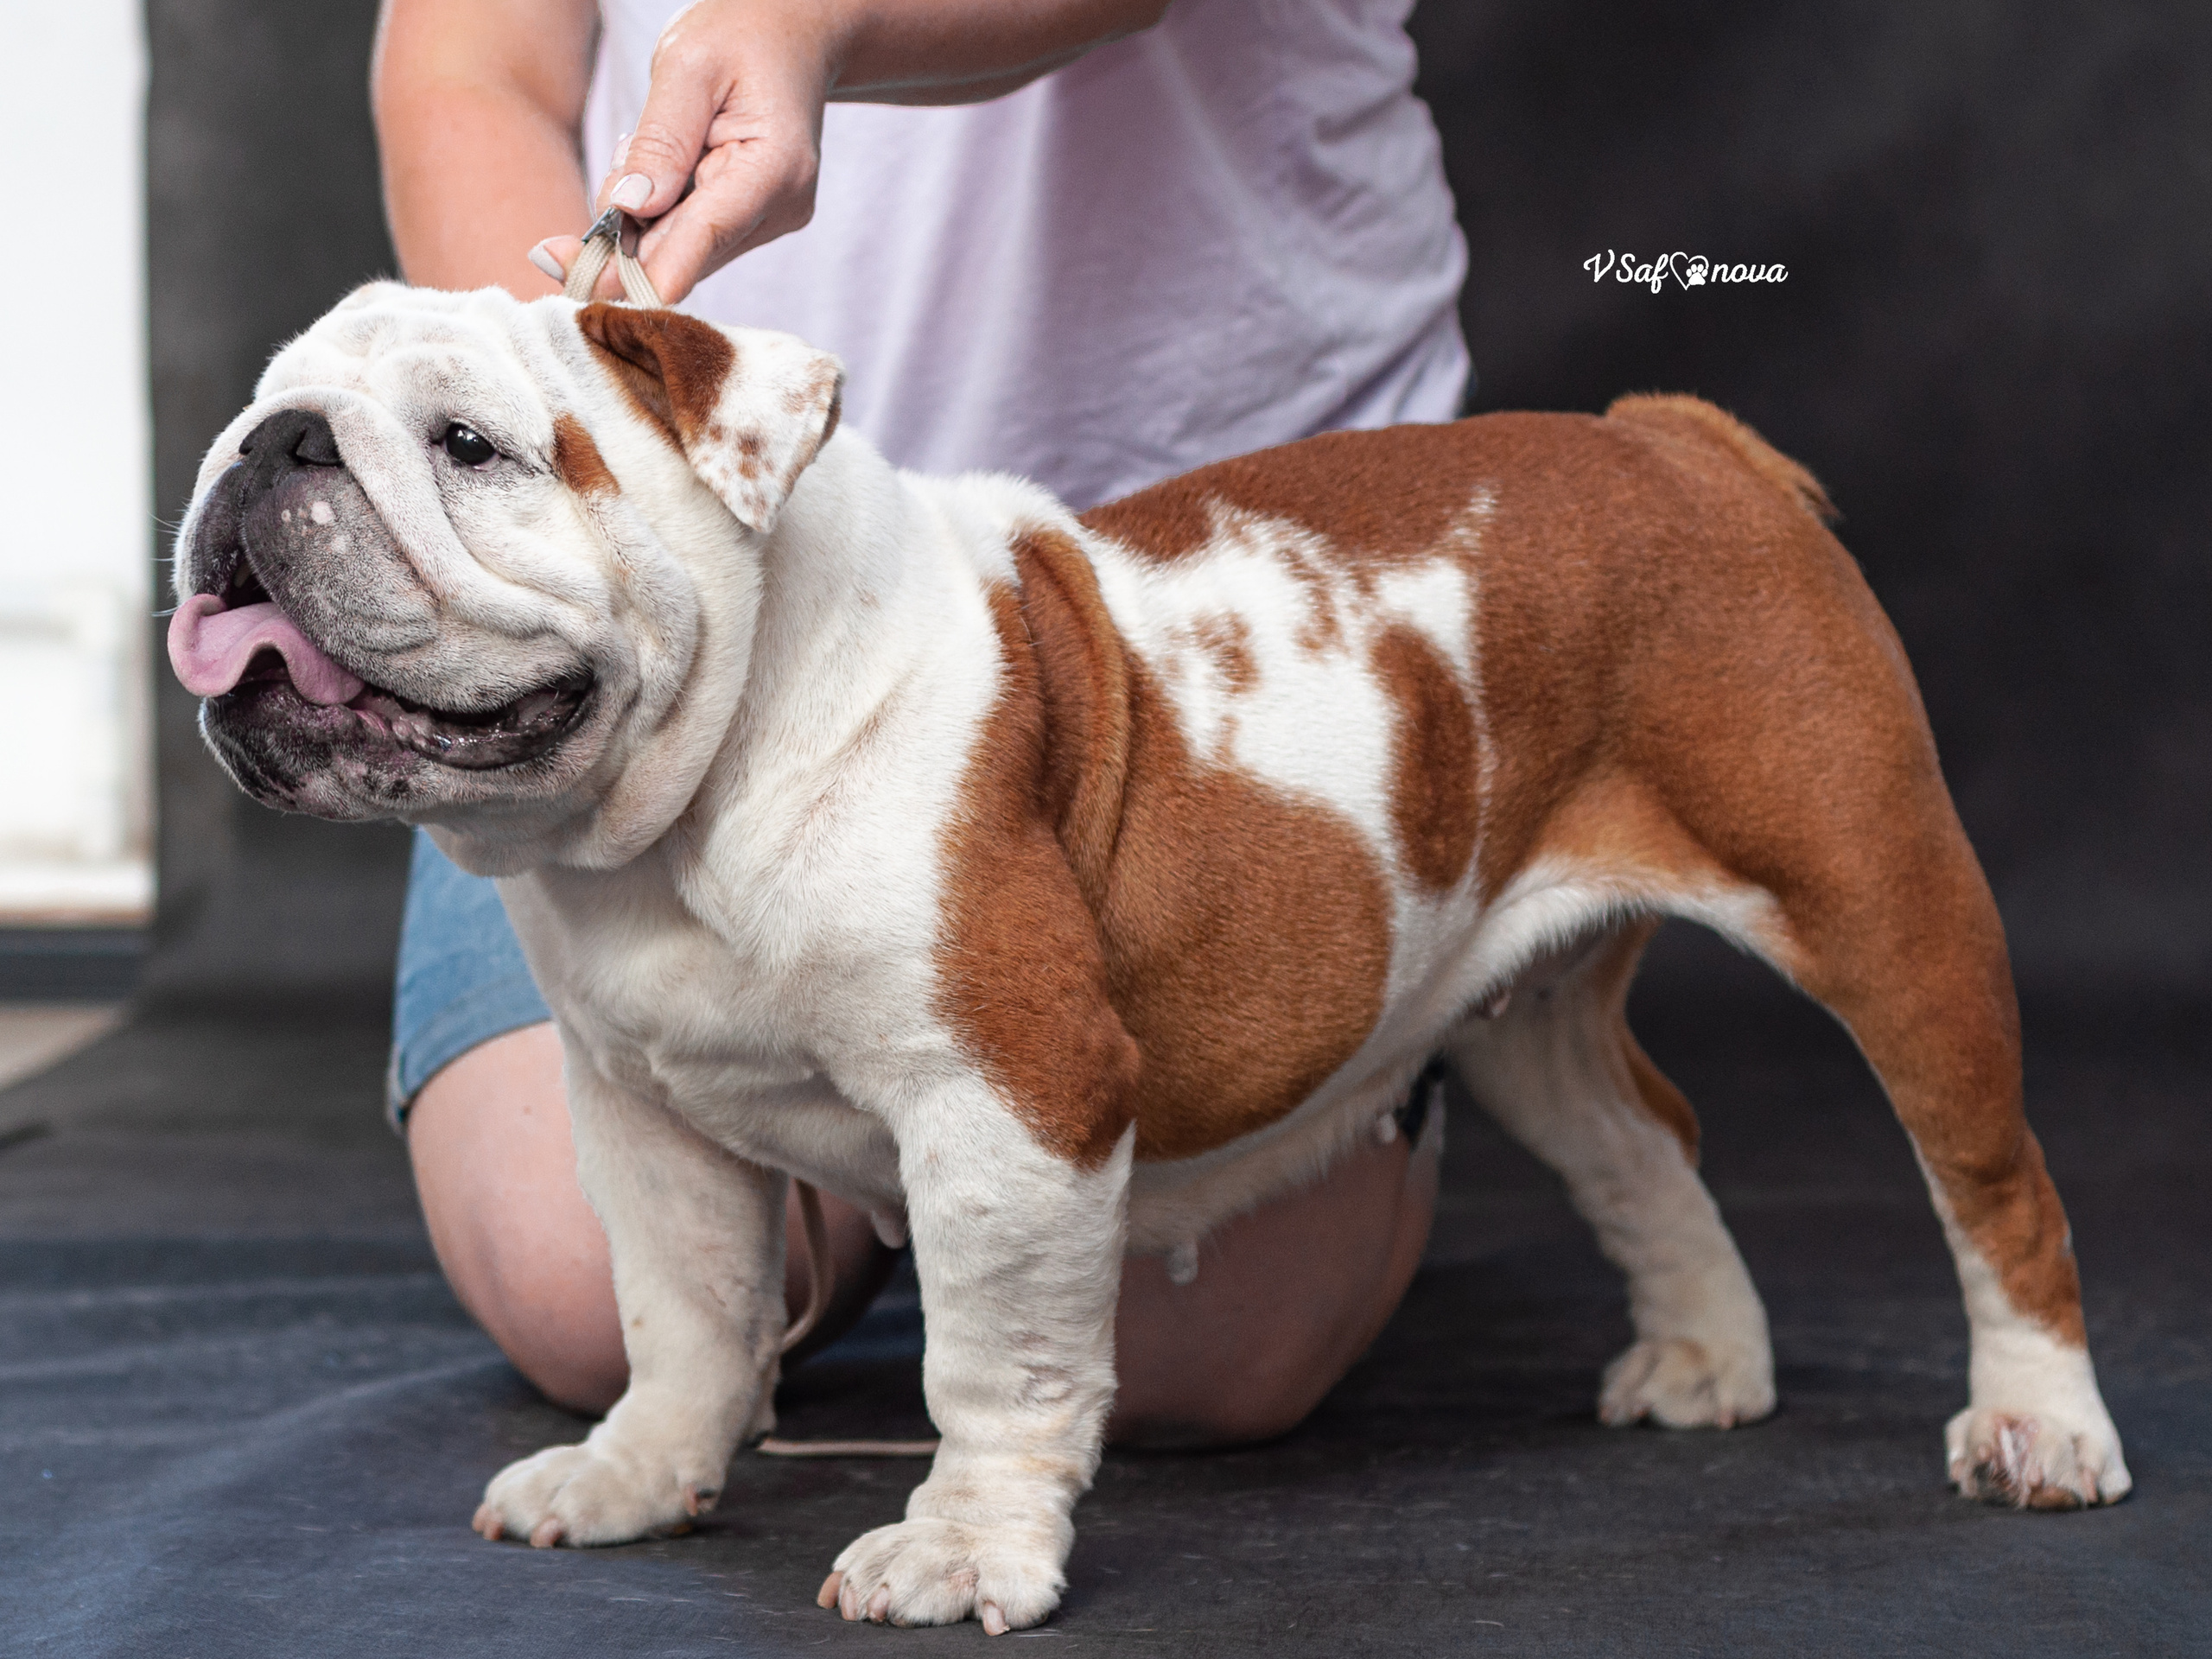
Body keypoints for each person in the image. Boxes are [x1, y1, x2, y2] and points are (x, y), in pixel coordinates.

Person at [372, 0, 1468, 1442]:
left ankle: (1423, 957)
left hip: (1195, 570)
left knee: (1195, 1361)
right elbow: (472, 69)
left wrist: (815, 24)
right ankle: (888, 1122)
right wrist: (559, 453)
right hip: (693, 565)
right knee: (590, 1298)